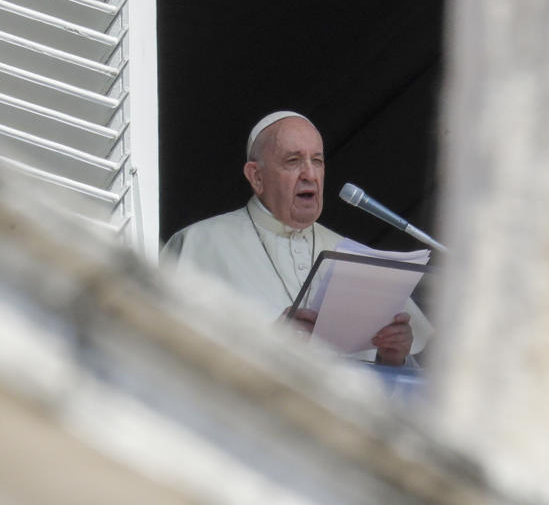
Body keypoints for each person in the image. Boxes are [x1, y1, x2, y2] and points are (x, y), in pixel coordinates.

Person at [162, 111, 432, 366]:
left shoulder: (357, 258)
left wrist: (393, 356)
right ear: (256, 177)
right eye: (293, 161)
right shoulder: (198, 243)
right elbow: (163, 354)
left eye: (317, 161)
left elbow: (406, 386)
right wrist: (267, 343)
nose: (310, 175)